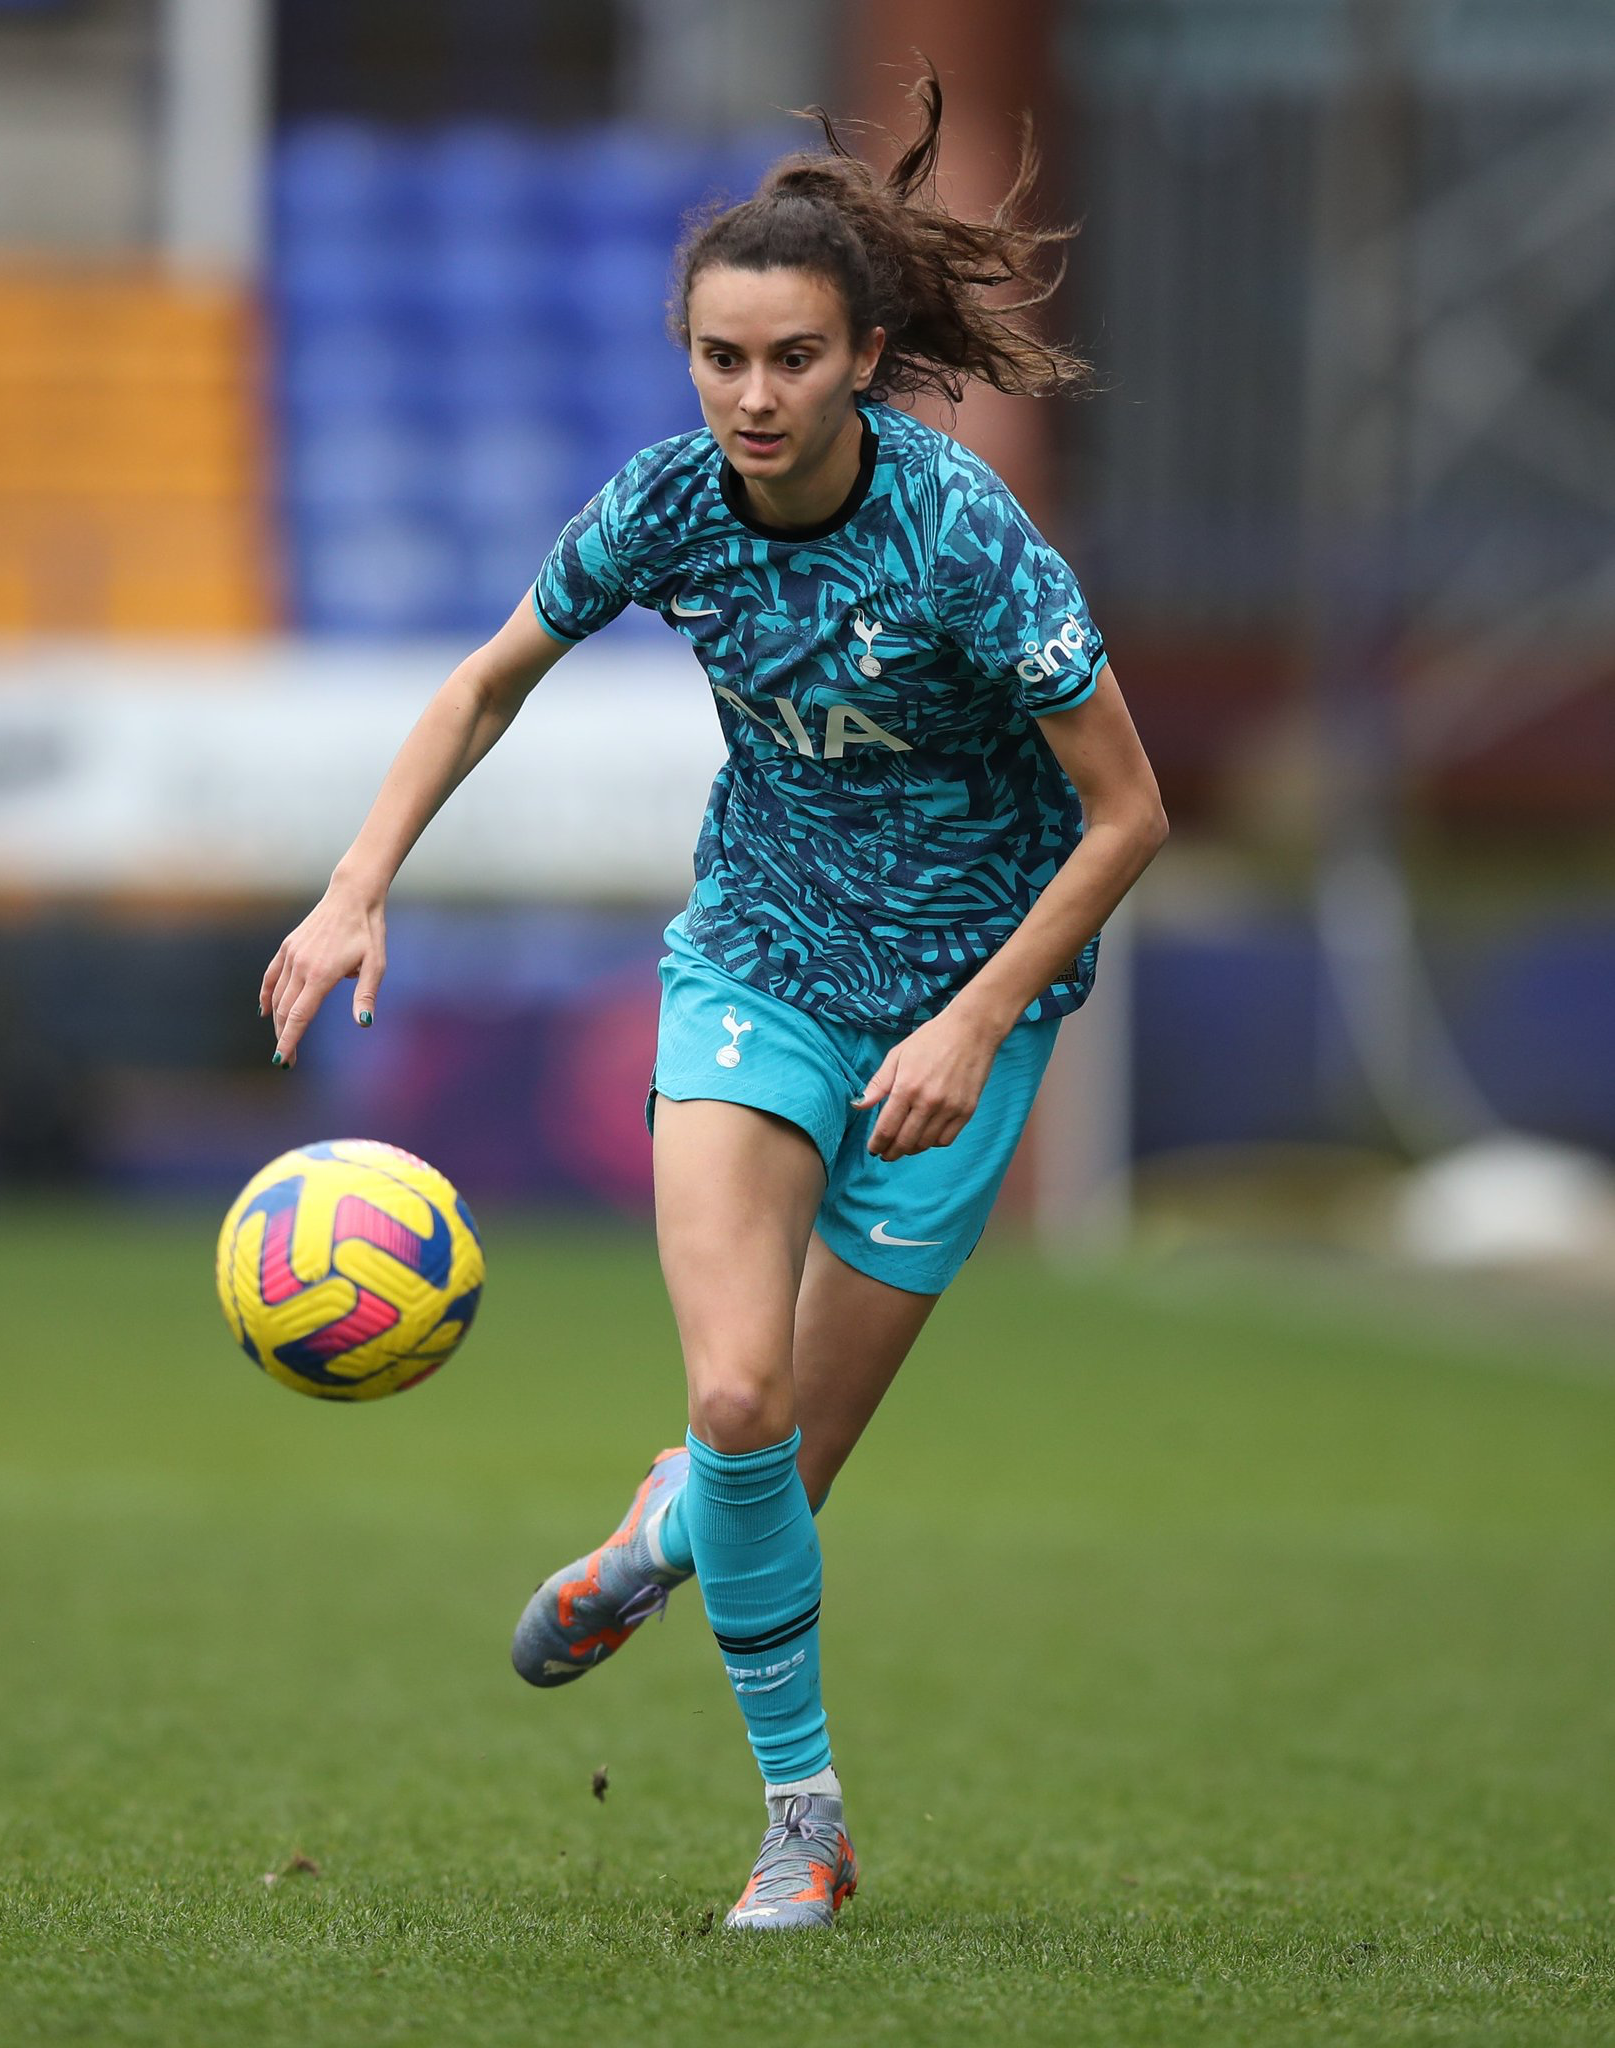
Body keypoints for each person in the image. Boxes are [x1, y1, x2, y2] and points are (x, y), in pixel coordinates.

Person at [259, 73, 1167, 1934]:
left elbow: (1129, 813)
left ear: (866, 359)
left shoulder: (966, 539)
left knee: (777, 1482)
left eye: (791, 359)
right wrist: (358, 886)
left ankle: (670, 1527)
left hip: (956, 1020)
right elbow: (484, 683)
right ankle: (804, 1823)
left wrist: (979, 1018)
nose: (750, 397)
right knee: (741, 1394)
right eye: (719, 356)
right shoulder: (669, 504)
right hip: (754, 966)